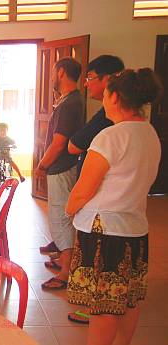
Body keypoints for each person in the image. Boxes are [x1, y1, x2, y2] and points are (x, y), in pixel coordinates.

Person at [65, 68, 162, 345]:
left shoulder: (110, 137)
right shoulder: (149, 133)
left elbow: (83, 190)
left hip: (104, 233)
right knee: (128, 299)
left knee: (104, 306)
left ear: (115, 96)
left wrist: (69, 208)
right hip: (134, 229)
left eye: (105, 94)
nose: (103, 100)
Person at [65, 55, 125, 324]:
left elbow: (75, 144)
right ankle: (109, 308)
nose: (86, 84)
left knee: (99, 266)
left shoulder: (110, 131)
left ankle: (96, 311)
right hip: (128, 219)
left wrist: (72, 207)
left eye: (90, 78)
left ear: (110, 82)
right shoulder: (146, 132)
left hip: (103, 215)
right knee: (118, 275)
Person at [34, 57, 84, 290]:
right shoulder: (68, 101)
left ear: (61, 72)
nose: (52, 77)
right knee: (58, 215)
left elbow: (59, 143)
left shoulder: (70, 104)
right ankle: (63, 259)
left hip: (61, 167)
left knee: (61, 216)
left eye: (54, 72)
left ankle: (66, 271)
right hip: (62, 166)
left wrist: (42, 165)